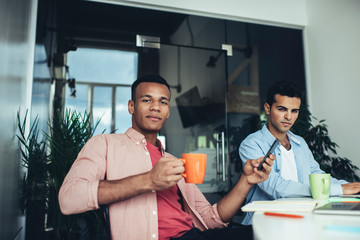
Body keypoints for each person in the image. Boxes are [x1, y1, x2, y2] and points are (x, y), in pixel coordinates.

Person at [58, 75, 274, 240]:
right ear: (131, 106)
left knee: (270, 232)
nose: (155, 107)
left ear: (168, 111)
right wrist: (149, 180)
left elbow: (210, 218)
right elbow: (69, 198)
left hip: (191, 236)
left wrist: (246, 181)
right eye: (146, 100)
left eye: (163, 102)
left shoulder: (173, 162)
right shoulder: (105, 144)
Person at [239, 80, 360, 225]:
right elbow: (275, 186)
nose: (288, 117)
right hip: (265, 222)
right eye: (282, 109)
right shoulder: (251, 144)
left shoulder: (300, 143)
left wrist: (351, 187)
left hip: (302, 218)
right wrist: (339, 189)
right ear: (267, 108)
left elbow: (317, 176)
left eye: (294, 111)